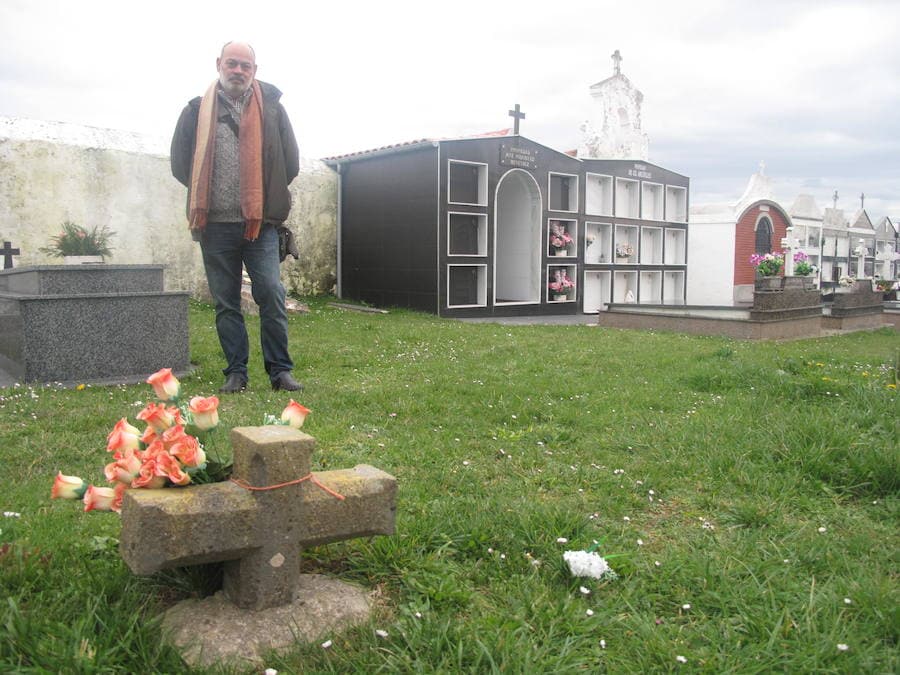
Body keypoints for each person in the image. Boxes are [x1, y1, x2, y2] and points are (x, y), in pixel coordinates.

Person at [171, 41, 302, 393]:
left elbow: (289, 162)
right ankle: (236, 373)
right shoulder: (196, 111)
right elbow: (182, 165)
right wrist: (209, 195)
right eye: (232, 64)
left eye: (246, 65)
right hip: (214, 226)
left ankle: (280, 371)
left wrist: (261, 200)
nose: (238, 71)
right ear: (219, 65)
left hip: (260, 226)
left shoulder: (273, 109)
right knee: (227, 302)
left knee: (271, 294)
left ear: (254, 71)